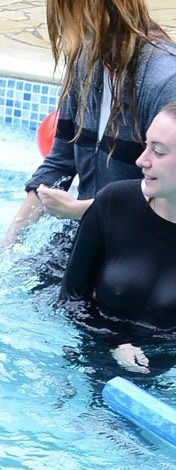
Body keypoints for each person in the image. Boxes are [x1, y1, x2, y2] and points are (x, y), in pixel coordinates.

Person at [0, 0, 176, 251]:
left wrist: (78, 210)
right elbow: (60, 161)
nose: (58, 15)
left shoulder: (164, 80)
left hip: (145, 245)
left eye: (65, 3)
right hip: (92, 230)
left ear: (99, 3)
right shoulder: (86, 61)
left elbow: (168, 190)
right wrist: (10, 239)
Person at [60, 102, 176, 374]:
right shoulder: (114, 203)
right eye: (146, 145)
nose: (141, 160)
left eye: (158, 151)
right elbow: (70, 297)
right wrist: (115, 342)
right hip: (88, 360)